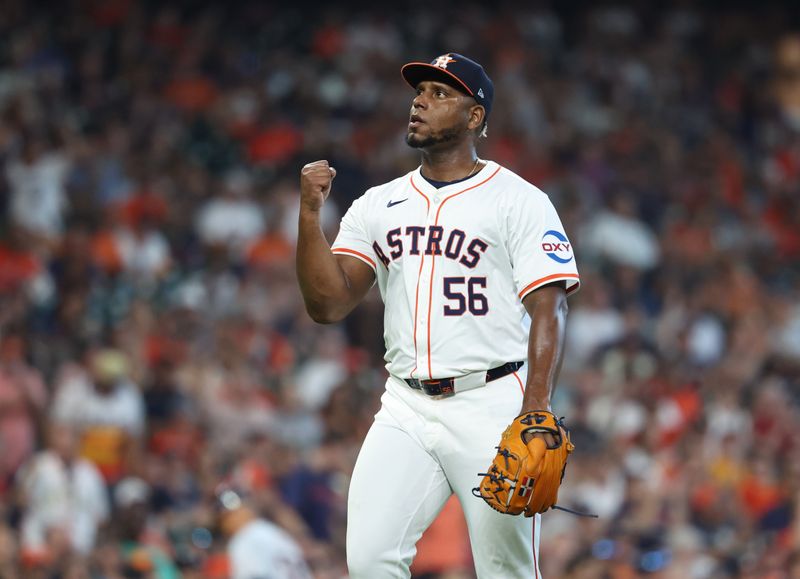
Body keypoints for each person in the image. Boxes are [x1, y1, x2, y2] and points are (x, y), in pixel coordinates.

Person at [297, 53, 580, 578]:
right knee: (369, 559)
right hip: (405, 404)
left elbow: (550, 304)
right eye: (420, 91)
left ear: (475, 118)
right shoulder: (377, 204)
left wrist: (534, 406)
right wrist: (311, 218)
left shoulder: (520, 200)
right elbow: (328, 304)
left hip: (491, 401)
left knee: (506, 571)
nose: (421, 100)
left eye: (441, 93)